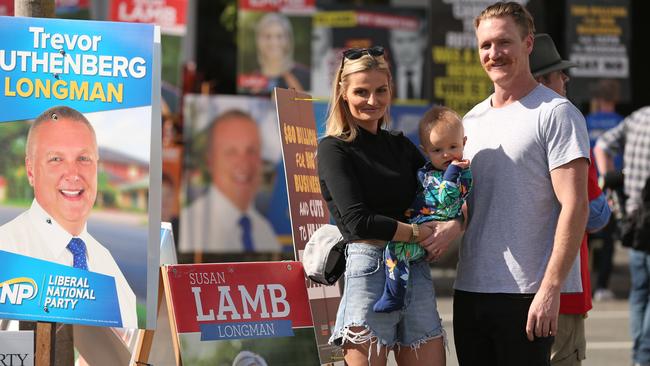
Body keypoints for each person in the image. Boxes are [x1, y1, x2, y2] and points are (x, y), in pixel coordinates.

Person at [453, 3, 590, 365]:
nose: (493, 54)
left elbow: (575, 205)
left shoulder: (556, 113)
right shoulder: (472, 119)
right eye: (485, 45)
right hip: (470, 290)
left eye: (504, 42)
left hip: (527, 295)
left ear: (528, 43)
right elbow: (468, 207)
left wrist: (550, 289)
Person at [317, 46, 445, 365]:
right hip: (370, 270)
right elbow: (359, 222)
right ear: (342, 92)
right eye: (361, 91)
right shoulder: (334, 149)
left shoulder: (400, 145)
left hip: (415, 269)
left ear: (391, 90)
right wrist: (417, 233)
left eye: (380, 90)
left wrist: (449, 226)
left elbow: (439, 192)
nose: (372, 101)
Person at [0, 106, 137, 329]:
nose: (73, 174)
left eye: (84, 158)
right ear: (31, 170)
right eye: (56, 159)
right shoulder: (5, 251)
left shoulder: (109, 267)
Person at [530, 32, 611, 366]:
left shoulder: (489, 119)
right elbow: (595, 214)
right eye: (558, 72)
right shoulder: (565, 122)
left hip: (508, 289)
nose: (565, 78)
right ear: (540, 80)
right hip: (564, 289)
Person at [374, 106, 472, 313]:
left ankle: (394, 296)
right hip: (420, 229)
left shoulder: (462, 172)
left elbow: (447, 198)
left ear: (464, 143)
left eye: (453, 146)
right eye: (437, 150)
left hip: (434, 231)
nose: (446, 154)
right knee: (394, 250)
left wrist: (453, 172)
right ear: (425, 151)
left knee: (396, 249)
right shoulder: (426, 172)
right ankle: (394, 294)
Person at [179, 110, 281, 253]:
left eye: (251, 151)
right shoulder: (190, 228)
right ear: (210, 161)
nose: (243, 163)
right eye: (231, 152)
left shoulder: (265, 233)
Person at [594, 107, 650, 366]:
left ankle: (640, 354)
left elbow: (602, 145)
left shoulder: (637, 117)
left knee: (639, 290)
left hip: (633, 219)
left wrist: (609, 180)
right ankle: (643, 355)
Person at [585, 79, 624, 302]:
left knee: (584, 238)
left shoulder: (587, 121)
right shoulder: (621, 122)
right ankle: (602, 286)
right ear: (615, 98)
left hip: (588, 184)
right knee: (608, 239)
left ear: (598, 99)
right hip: (612, 186)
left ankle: (585, 284)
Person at [242, 12, 310, 95]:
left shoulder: (306, 75)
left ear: (288, 40)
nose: (274, 42)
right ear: (258, 41)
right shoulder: (250, 79)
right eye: (268, 36)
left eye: (279, 36)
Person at [389, 26, 427, 100]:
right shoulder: (382, 74)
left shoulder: (435, 73)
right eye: (399, 41)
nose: (405, 48)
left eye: (412, 40)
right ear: (391, 42)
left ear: (424, 41)